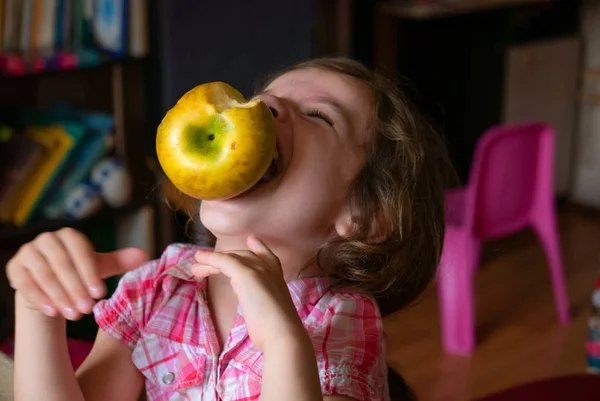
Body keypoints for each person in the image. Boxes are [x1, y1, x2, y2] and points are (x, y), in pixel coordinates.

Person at [6, 57, 452, 401]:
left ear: (366, 214)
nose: (264, 106)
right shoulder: (156, 293)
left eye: (319, 115)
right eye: (263, 98)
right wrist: (38, 307)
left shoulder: (341, 321)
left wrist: (282, 343)